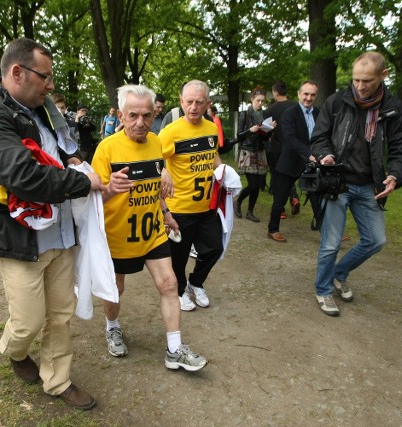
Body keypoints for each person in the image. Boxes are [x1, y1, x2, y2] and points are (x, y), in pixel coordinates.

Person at [0, 37, 104, 410]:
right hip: (19, 237)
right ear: (17, 72)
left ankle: (57, 382)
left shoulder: (42, 109)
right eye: (45, 76)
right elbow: (23, 176)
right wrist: (82, 182)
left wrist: (74, 163)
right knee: (27, 322)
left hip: (59, 232)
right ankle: (14, 351)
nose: (51, 84)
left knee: (59, 315)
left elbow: (62, 153)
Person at [91, 84, 208, 371]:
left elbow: (154, 185)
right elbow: (92, 199)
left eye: (147, 115)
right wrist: (109, 189)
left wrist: (166, 212)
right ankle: (112, 326)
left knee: (169, 284)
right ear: (120, 115)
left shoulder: (156, 143)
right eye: (133, 116)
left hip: (152, 230)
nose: (141, 123)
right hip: (119, 235)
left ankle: (174, 348)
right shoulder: (106, 149)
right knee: (116, 290)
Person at [310, 51, 402, 316]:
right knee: (331, 244)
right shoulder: (337, 102)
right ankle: (323, 290)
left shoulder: (392, 107)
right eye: (356, 80)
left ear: (383, 75)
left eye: (366, 80)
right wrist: (325, 155)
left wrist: (395, 175)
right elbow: (319, 136)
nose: (360, 86)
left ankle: (339, 273)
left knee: (376, 240)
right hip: (337, 184)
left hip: (371, 186)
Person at [158, 80, 223, 311]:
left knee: (214, 248)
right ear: (181, 101)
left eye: (199, 102)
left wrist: (224, 171)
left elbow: (213, 155)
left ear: (208, 103)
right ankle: (179, 290)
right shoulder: (170, 132)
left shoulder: (211, 128)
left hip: (207, 206)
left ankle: (196, 282)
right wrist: (163, 170)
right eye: (189, 102)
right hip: (180, 208)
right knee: (178, 256)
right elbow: (153, 157)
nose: (193, 107)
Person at [267, 80, 320, 242]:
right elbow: (289, 138)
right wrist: (309, 154)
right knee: (281, 198)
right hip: (290, 161)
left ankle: (326, 230)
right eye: (306, 94)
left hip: (312, 163)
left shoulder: (319, 113)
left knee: (317, 197)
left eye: (312, 95)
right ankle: (273, 229)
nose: (308, 98)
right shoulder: (290, 113)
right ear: (299, 94)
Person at [234, 87, 273, 222]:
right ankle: (238, 201)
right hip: (248, 151)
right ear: (252, 99)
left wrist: (270, 129)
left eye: (263, 101)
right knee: (254, 184)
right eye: (258, 100)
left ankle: (250, 211)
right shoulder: (244, 114)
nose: (260, 103)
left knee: (257, 185)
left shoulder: (265, 115)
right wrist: (250, 130)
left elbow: (265, 137)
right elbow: (239, 135)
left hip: (260, 151)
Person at [266, 80, 299, 215]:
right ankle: (294, 197)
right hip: (292, 148)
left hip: (275, 149)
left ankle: (280, 210)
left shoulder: (271, 109)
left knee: (277, 179)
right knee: (290, 176)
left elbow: (266, 130)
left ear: (275, 92)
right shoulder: (296, 106)